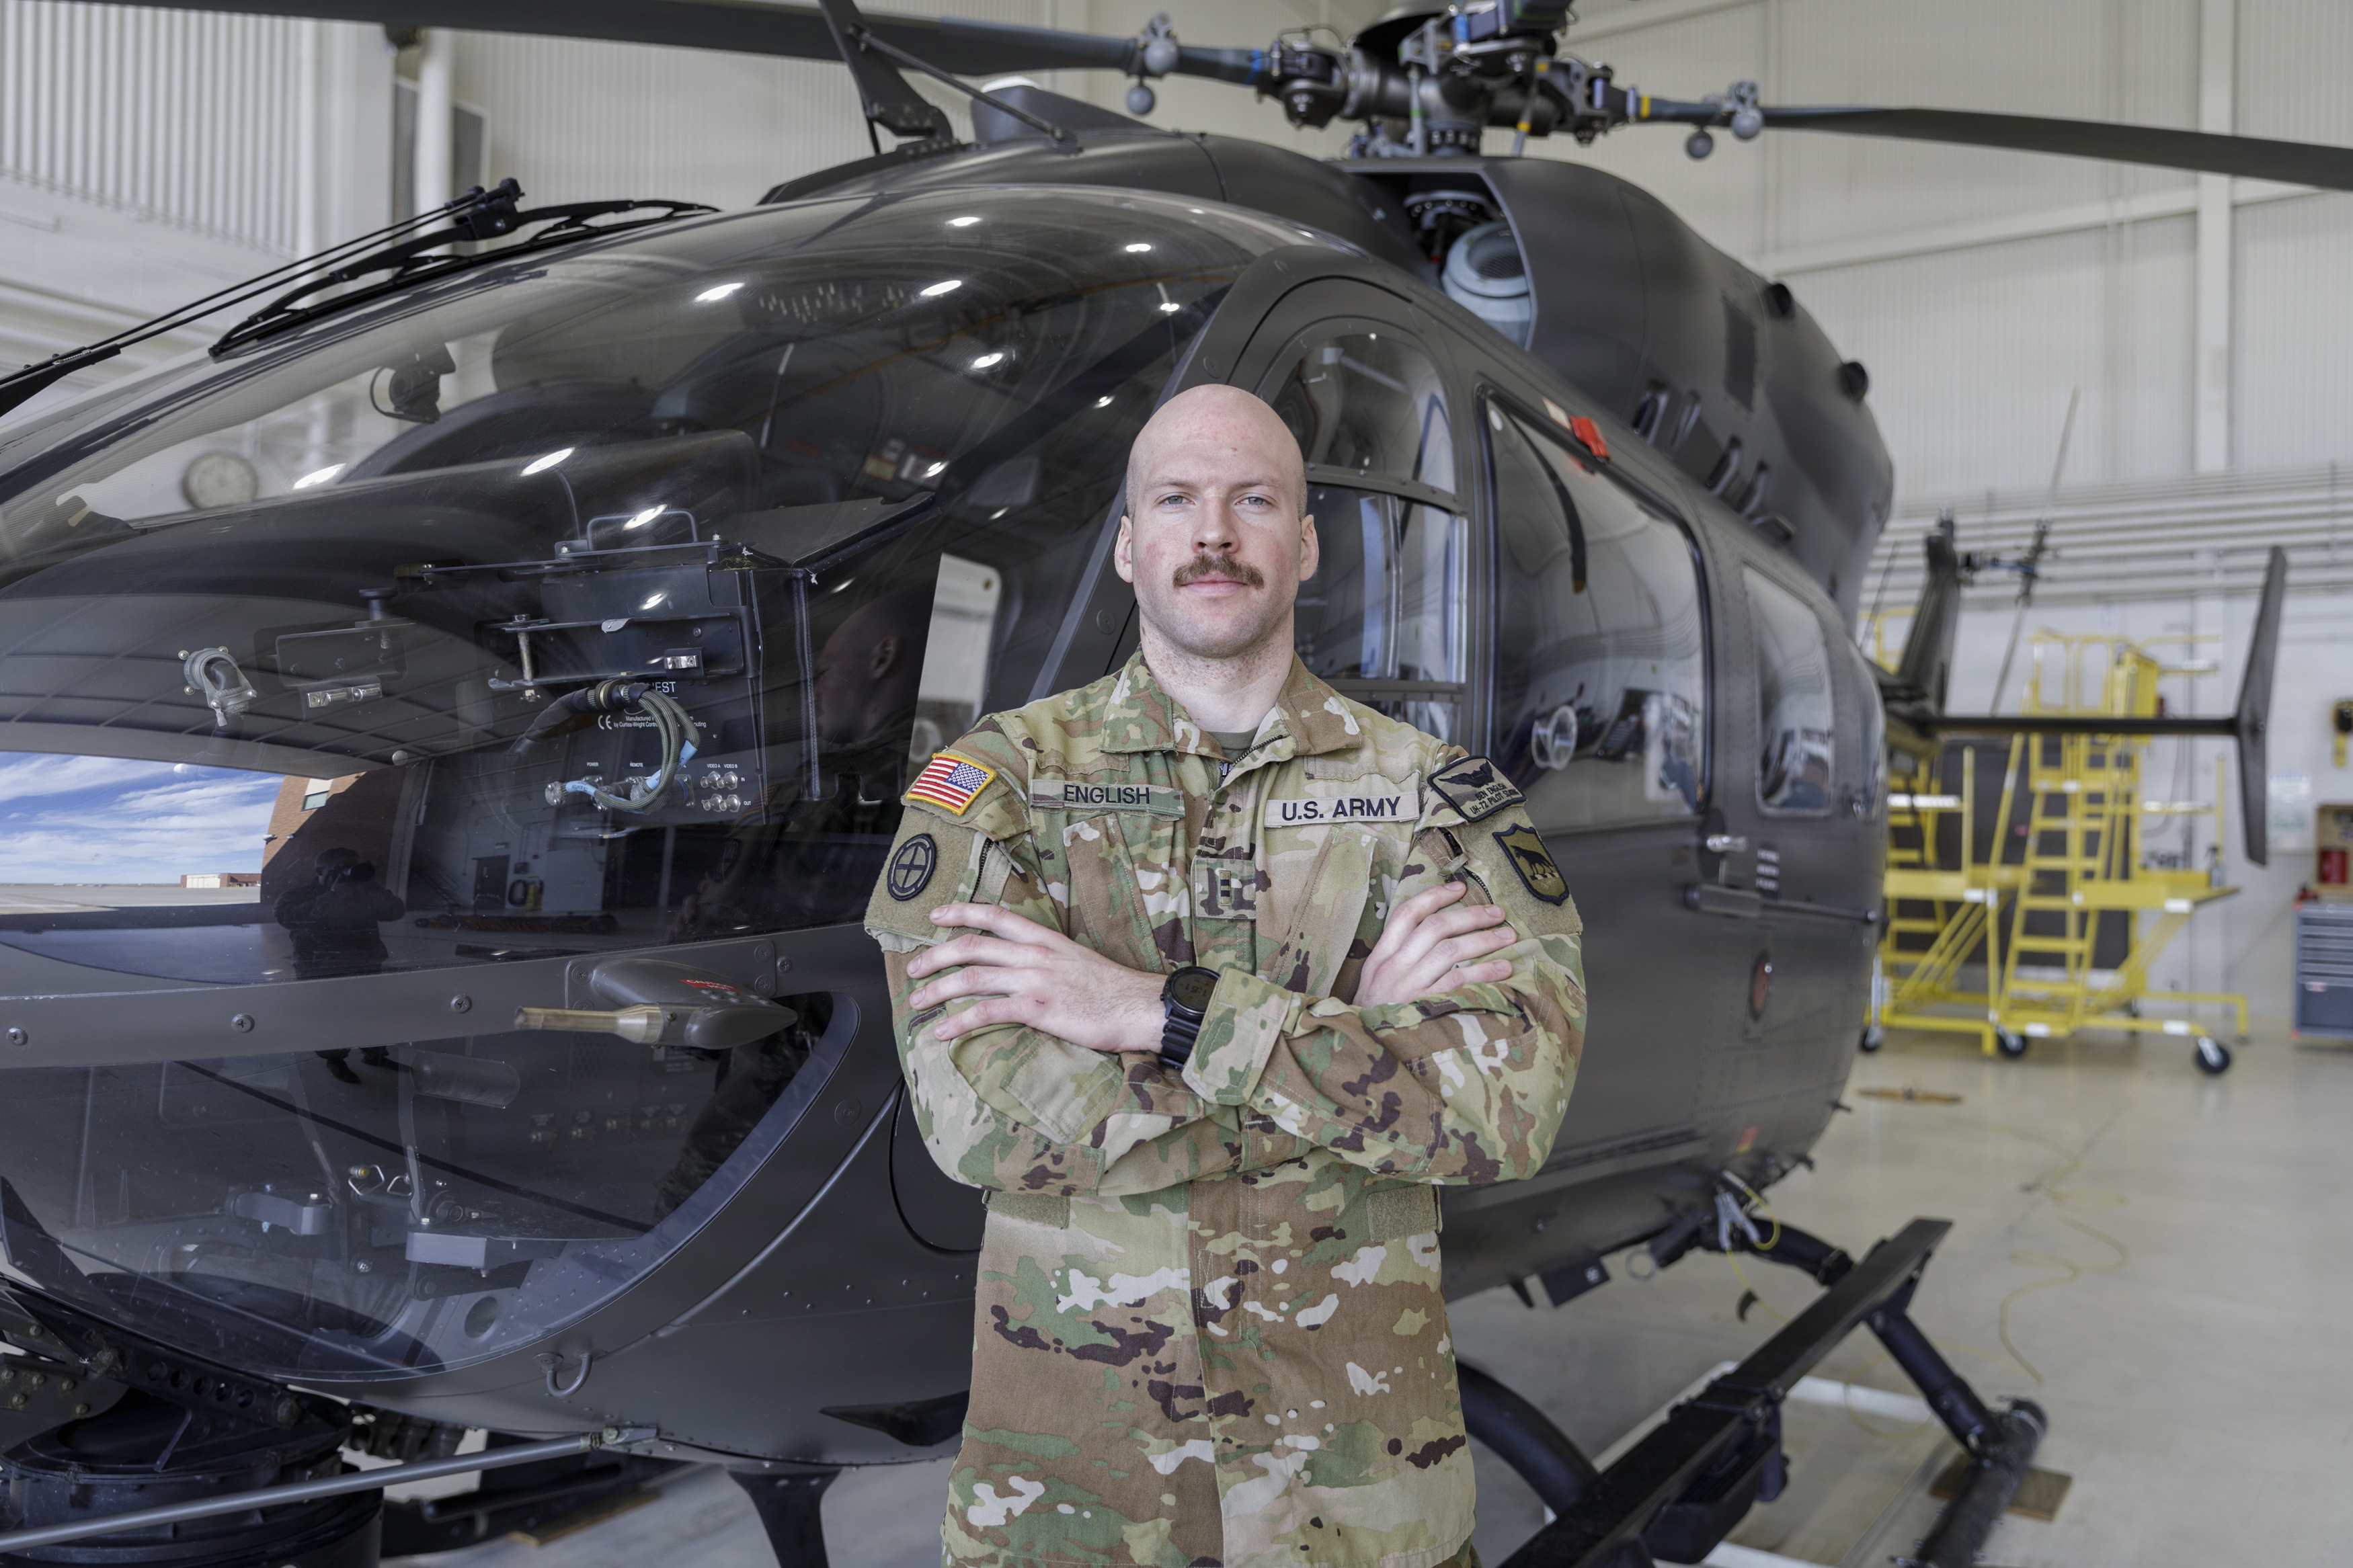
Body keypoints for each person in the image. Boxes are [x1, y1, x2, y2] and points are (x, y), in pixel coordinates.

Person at [864, 384, 1586, 1568]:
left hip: (1356, 1497)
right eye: (1178, 499)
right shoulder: (997, 784)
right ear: (1130, 547)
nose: (1214, 532)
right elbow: (980, 1126)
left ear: (1302, 545)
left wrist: (1146, 1011)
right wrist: (1355, 1037)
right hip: (1077, 1501)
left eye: (1253, 499)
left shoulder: (1436, 797)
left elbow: (1504, 1113)